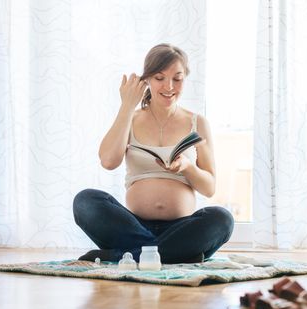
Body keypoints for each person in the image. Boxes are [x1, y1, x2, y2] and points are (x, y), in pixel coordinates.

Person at [73, 43, 234, 263]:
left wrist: (187, 167)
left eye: (177, 78)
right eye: (159, 78)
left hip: (182, 228)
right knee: (85, 201)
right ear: (147, 79)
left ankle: (124, 255)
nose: (169, 86)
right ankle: (174, 255)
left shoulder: (198, 122)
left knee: (222, 218)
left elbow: (209, 188)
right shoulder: (131, 117)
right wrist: (127, 107)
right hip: (133, 225)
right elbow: (108, 161)